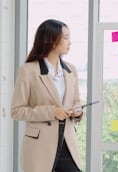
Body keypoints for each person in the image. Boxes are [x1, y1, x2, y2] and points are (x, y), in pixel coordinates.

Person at [11, 19, 83, 172]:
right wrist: (51, 112)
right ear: (51, 40)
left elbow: (76, 101)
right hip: (39, 147)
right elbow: (16, 111)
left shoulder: (71, 70)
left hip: (67, 144)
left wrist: (77, 112)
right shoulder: (28, 70)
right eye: (65, 37)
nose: (70, 42)